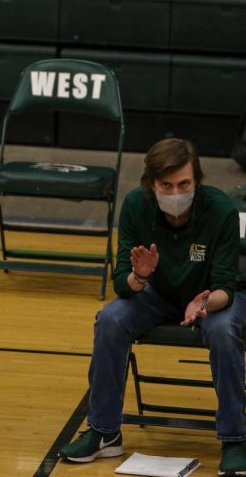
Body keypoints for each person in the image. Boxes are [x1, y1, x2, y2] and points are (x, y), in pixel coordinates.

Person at [58, 138, 246, 476]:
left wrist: (205, 300)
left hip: (209, 297)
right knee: (110, 320)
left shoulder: (221, 211)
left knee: (223, 330)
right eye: (166, 185)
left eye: (184, 184)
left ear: (197, 181)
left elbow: (226, 287)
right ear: (151, 184)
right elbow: (121, 284)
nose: (176, 193)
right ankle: (105, 432)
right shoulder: (134, 205)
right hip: (155, 293)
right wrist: (139, 276)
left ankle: (235, 438)